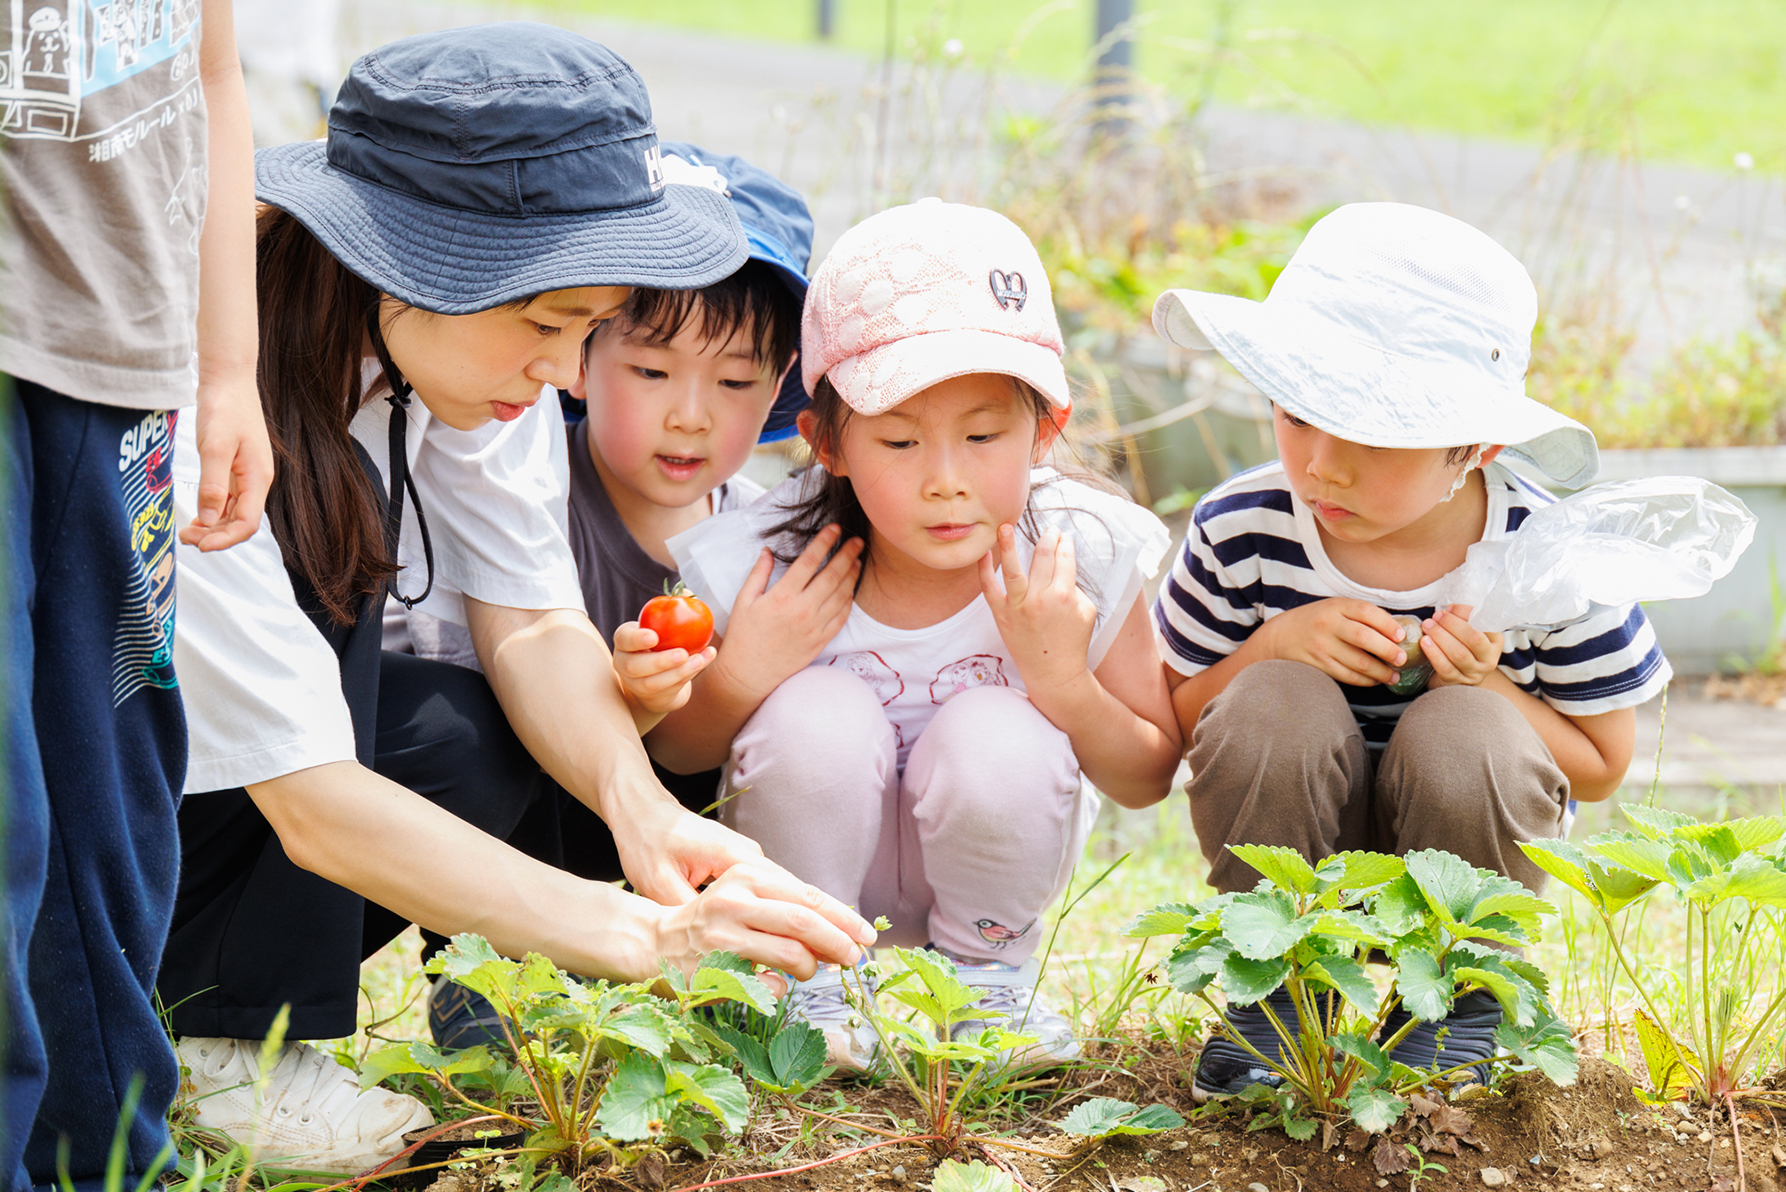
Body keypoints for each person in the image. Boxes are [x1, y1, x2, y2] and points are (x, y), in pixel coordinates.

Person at [155, 25, 874, 1174]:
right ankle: (219, 1044)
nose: (562, 370)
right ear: (408, 262)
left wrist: (650, 820)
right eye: (545, 325)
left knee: (465, 734)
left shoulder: (462, 361)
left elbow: (534, 620)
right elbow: (313, 801)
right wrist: (645, 936)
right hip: (68, 784)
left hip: (212, 781)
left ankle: (204, 1020)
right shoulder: (204, 395)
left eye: (587, 327)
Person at [642, 200, 1183, 1070]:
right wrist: (744, 674)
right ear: (827, 444)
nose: (945, 482)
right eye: (899, 440)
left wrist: (1063, 682)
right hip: (809, 874)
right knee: (813, 710)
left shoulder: (1077, 556)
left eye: (983, 436)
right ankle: (809, 976)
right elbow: (675, 752)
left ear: (1046, 426)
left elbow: (1149, 774)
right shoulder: (770, 560)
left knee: (1001, 730)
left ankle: (987, 984)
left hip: (986, 882)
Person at [1147, 202, 1670, 1100]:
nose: (1321, 468)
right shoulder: (1245, 528)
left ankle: (1459, 1002)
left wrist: (1494, 685)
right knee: (1273, 698)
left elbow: (1601, 767)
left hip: (1468, 842)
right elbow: (1184, 723)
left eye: (1372, 438)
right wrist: (1275, 644)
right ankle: (1275, 991)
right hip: (1296, 852)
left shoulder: (1546, 558)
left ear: (1477, 445)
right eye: (1296, 417)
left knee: (1464, 725)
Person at [406, 140, 849, 1048]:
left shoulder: (764, 539)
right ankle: (494, 997)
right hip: (529, 830)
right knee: (487, 736)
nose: (691, 413)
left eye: (733, 383)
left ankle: (747, 974)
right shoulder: (522, 499)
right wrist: (639, 703)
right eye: (651, 373)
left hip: (678, 840)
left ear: (777, 392)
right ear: (578, 357)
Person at [1, 0, 273, 1185]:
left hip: (125, 371)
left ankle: (106, 1154)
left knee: (113, 794)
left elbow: (212, 72)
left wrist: (226, 363)